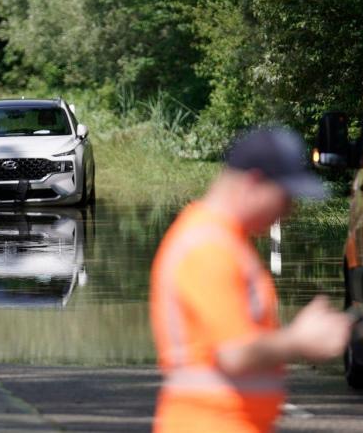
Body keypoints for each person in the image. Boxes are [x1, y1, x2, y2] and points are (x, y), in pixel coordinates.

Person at [150, 127, 351, 432]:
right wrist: (299, 338)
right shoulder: (208, 247)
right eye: (286, 198)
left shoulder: (227, 241)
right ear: (254, 182)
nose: (289, 211)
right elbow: (235, 352)